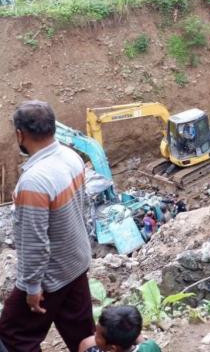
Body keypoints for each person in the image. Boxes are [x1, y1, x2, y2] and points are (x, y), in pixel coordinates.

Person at [0, 101, 95, 352]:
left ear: (20, 134)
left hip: (52, 275)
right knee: (83, 335)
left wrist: (32, 286)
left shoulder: (34, 181)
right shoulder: (72, 157)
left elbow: (34, 243)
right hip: (76, 261)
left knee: (13, 333)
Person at [78, 305, 161, 352]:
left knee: (85, 343)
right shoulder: (152, 346)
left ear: (112, 348)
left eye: (98, 335)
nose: (95, 334)